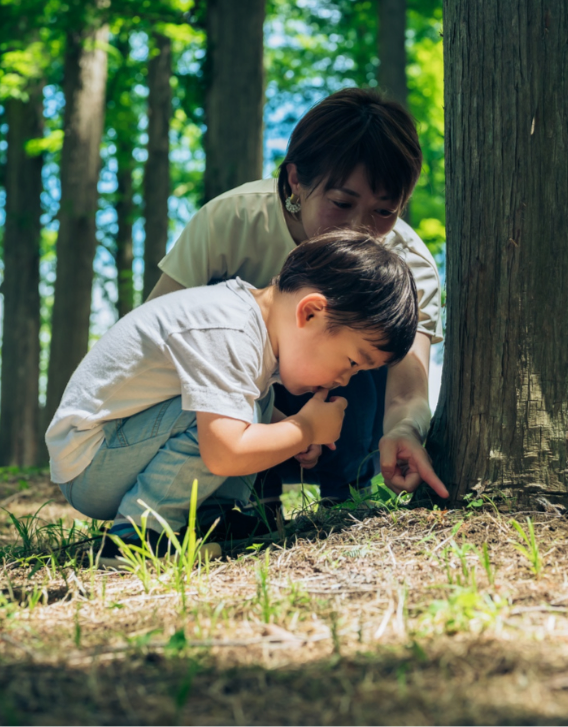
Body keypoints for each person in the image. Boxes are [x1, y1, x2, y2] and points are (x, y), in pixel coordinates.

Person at [147, 88, 449, 518]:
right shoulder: (231, 223)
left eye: (384, 212)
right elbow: (159, 330)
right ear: (296, 181)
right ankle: (243, 503)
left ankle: (345, 500)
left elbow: (407, 392)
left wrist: (404, 430)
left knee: (366, 332)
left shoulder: (408, 262)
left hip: (342, 429)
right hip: (221, 430)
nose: (361, 227)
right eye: (342, 203)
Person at [45, 231, 421, 557]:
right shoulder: (231, 329)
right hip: (93, 461)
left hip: (121, 450)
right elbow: (224, 451)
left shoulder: (252, 331)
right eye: (353, 361)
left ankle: (210, 520)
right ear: (310, 313)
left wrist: (285, 428)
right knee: (223, 420)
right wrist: (303, 429)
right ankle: (139, 534)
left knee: (248, 406)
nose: (345, 379)